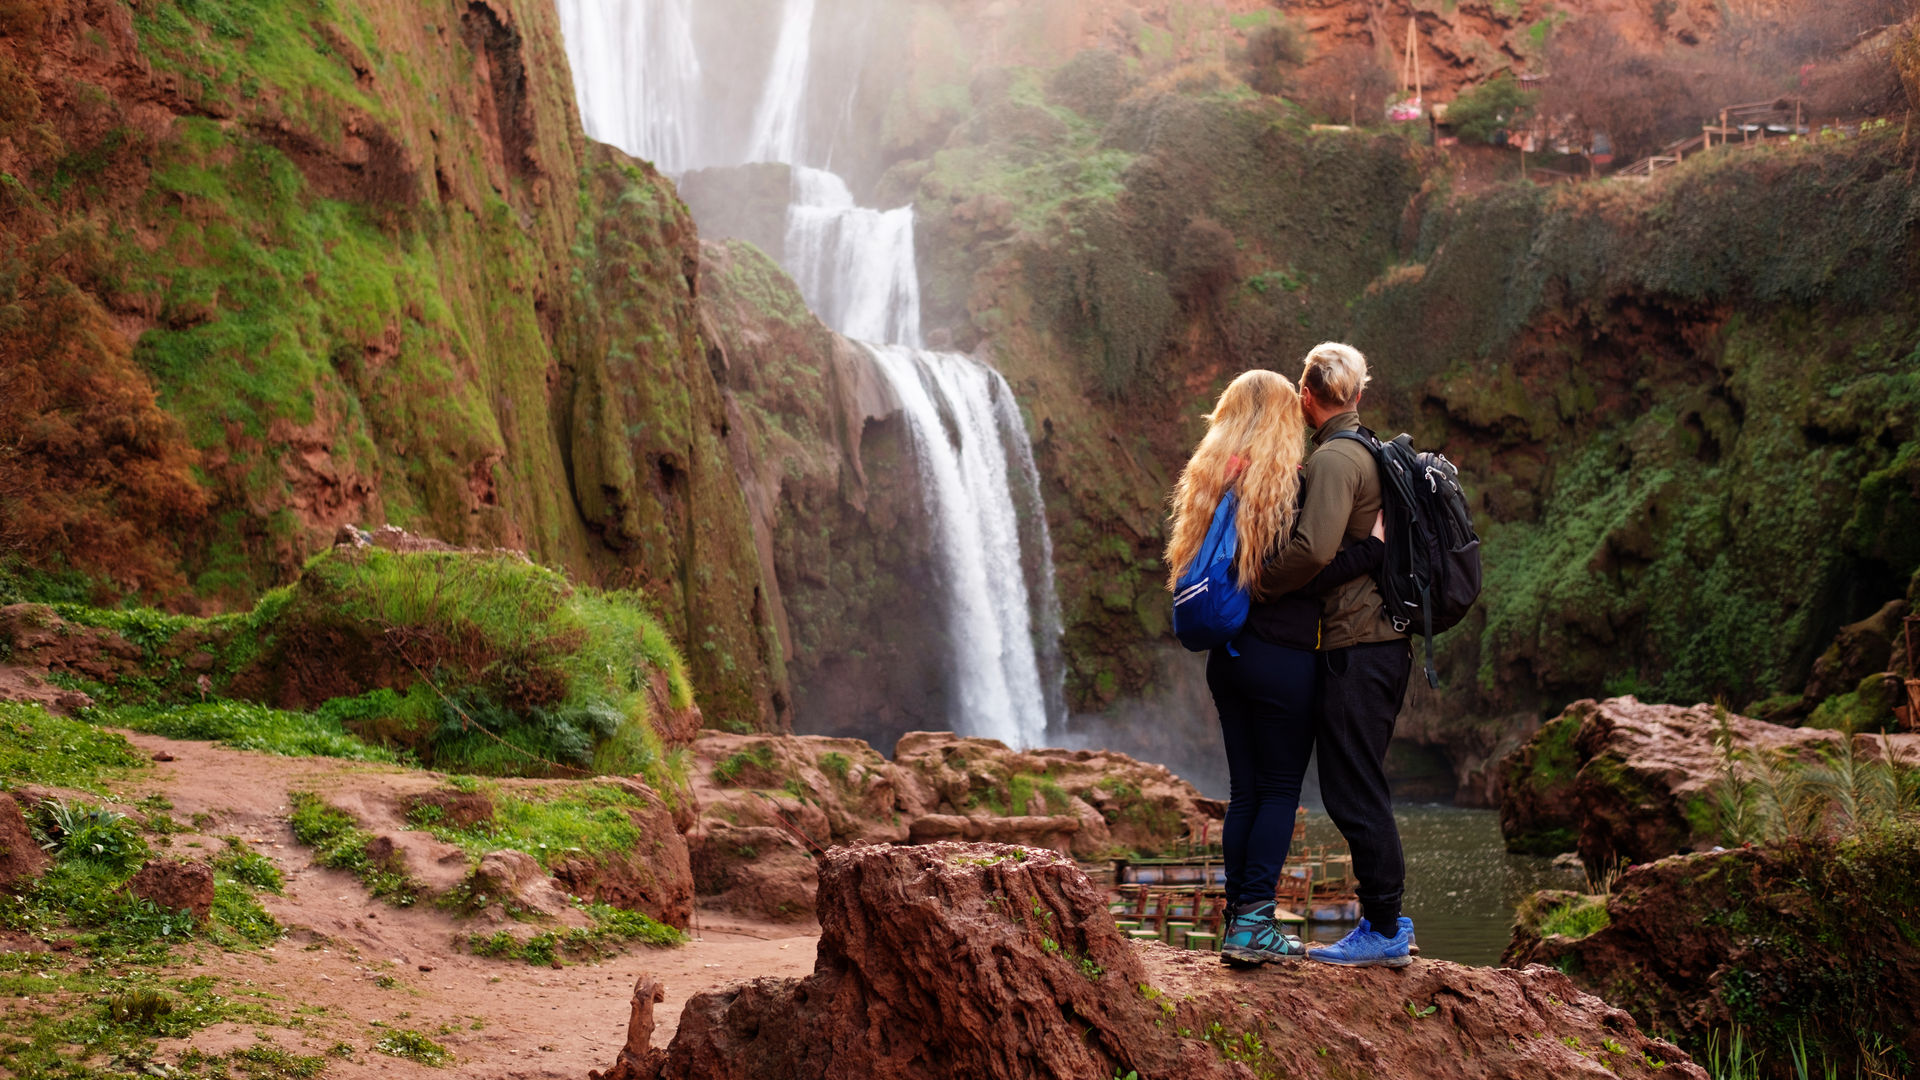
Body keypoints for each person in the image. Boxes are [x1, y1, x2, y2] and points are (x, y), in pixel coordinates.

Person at [1165, 369, 1384, 966]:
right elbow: (1301, 572)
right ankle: (1254, 924)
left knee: (1245, 793)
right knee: (1280, 791)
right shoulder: (1285, 483)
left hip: (1228, 659)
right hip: (1282, 661)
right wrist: (1371, 550)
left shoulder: (1213, 480)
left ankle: (1240, 919)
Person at [1256, 342, 1415, 968]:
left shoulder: (1335, 460)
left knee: (1353, 790)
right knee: (1360, 780)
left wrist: (1262, 584)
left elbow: (1313, 551)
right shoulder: (1370, 449)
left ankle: (1382, 927)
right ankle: (1387, 918)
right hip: (1381, 643)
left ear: (1306, 395)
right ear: (1358, 395)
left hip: (1358, 643)